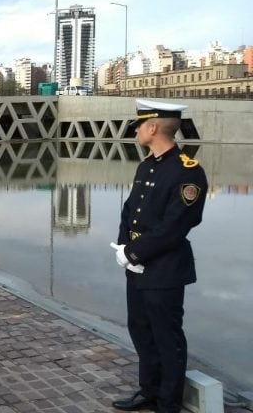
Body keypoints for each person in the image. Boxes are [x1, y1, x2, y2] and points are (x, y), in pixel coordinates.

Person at [110, 99, 207, 413]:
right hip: (136, 267)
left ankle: (168, 404)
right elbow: (130, 210)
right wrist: (124, 247)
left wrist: (135, 252)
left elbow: (175, 226)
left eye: (140, 125)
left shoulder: (187, 172)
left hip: (164, 268)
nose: (136, 130)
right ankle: (148, 391)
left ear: (153, 127)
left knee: (167, 339)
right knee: (140, 330)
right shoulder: (146, 165)